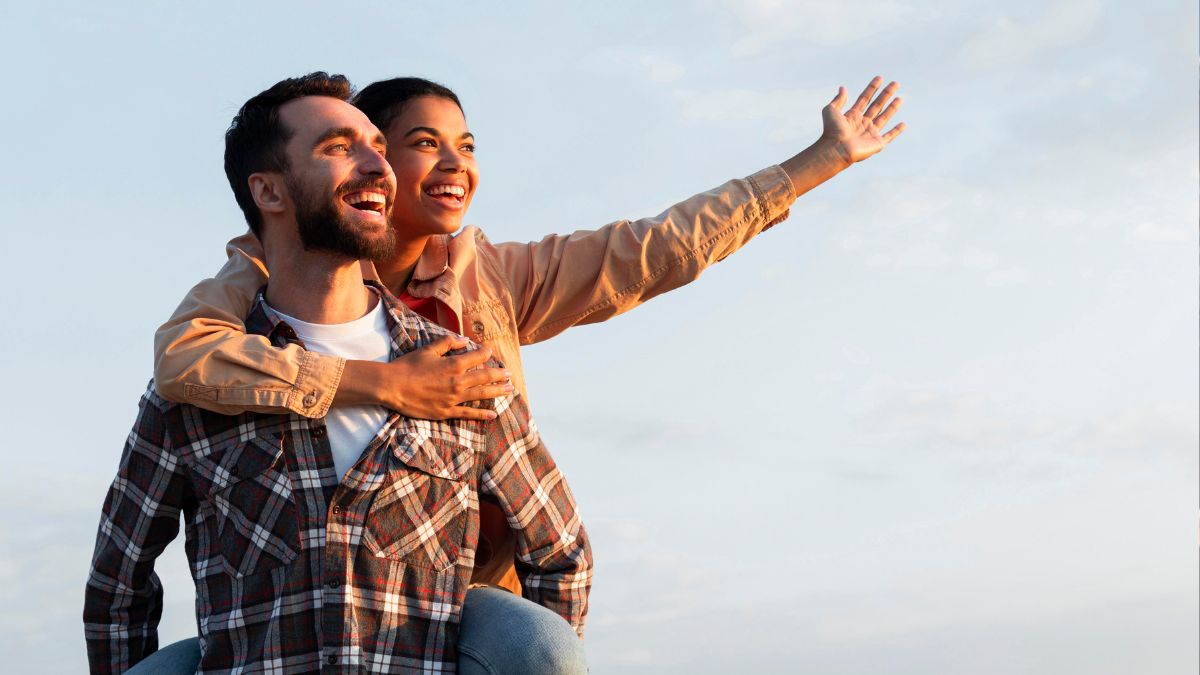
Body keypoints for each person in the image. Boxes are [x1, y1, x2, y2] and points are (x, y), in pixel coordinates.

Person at [152, 72, 905, 589]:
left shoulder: (494, 280)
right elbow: (184, 355)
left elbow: (658, 247)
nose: (454, 163)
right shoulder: (274, 275)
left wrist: (820, 161)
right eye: (422, 141)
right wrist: (389, 384)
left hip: (474, 590)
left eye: (467, 145)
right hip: (320, 592)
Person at [84, 73, 591, 675]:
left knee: (541, 644)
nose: (378, 164)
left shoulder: (463, 370)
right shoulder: (197, 388)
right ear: (269, 192)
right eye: (338, 148)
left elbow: (561, 555)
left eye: (378, 145)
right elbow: (119, 585)